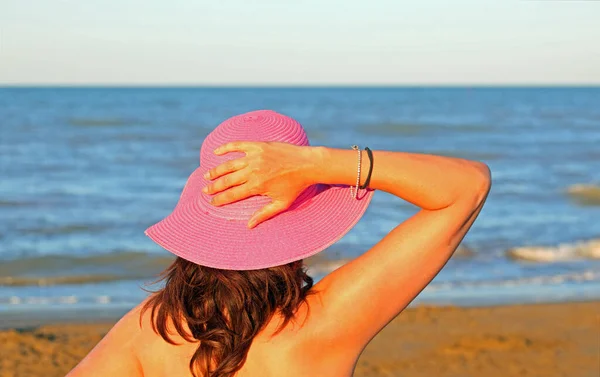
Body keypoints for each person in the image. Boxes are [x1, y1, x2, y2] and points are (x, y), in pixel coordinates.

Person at [67, 110, 491, 377]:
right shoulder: (327, 320)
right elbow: (466, 185)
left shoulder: (149, 328)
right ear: (301, 225)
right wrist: (317, 164)